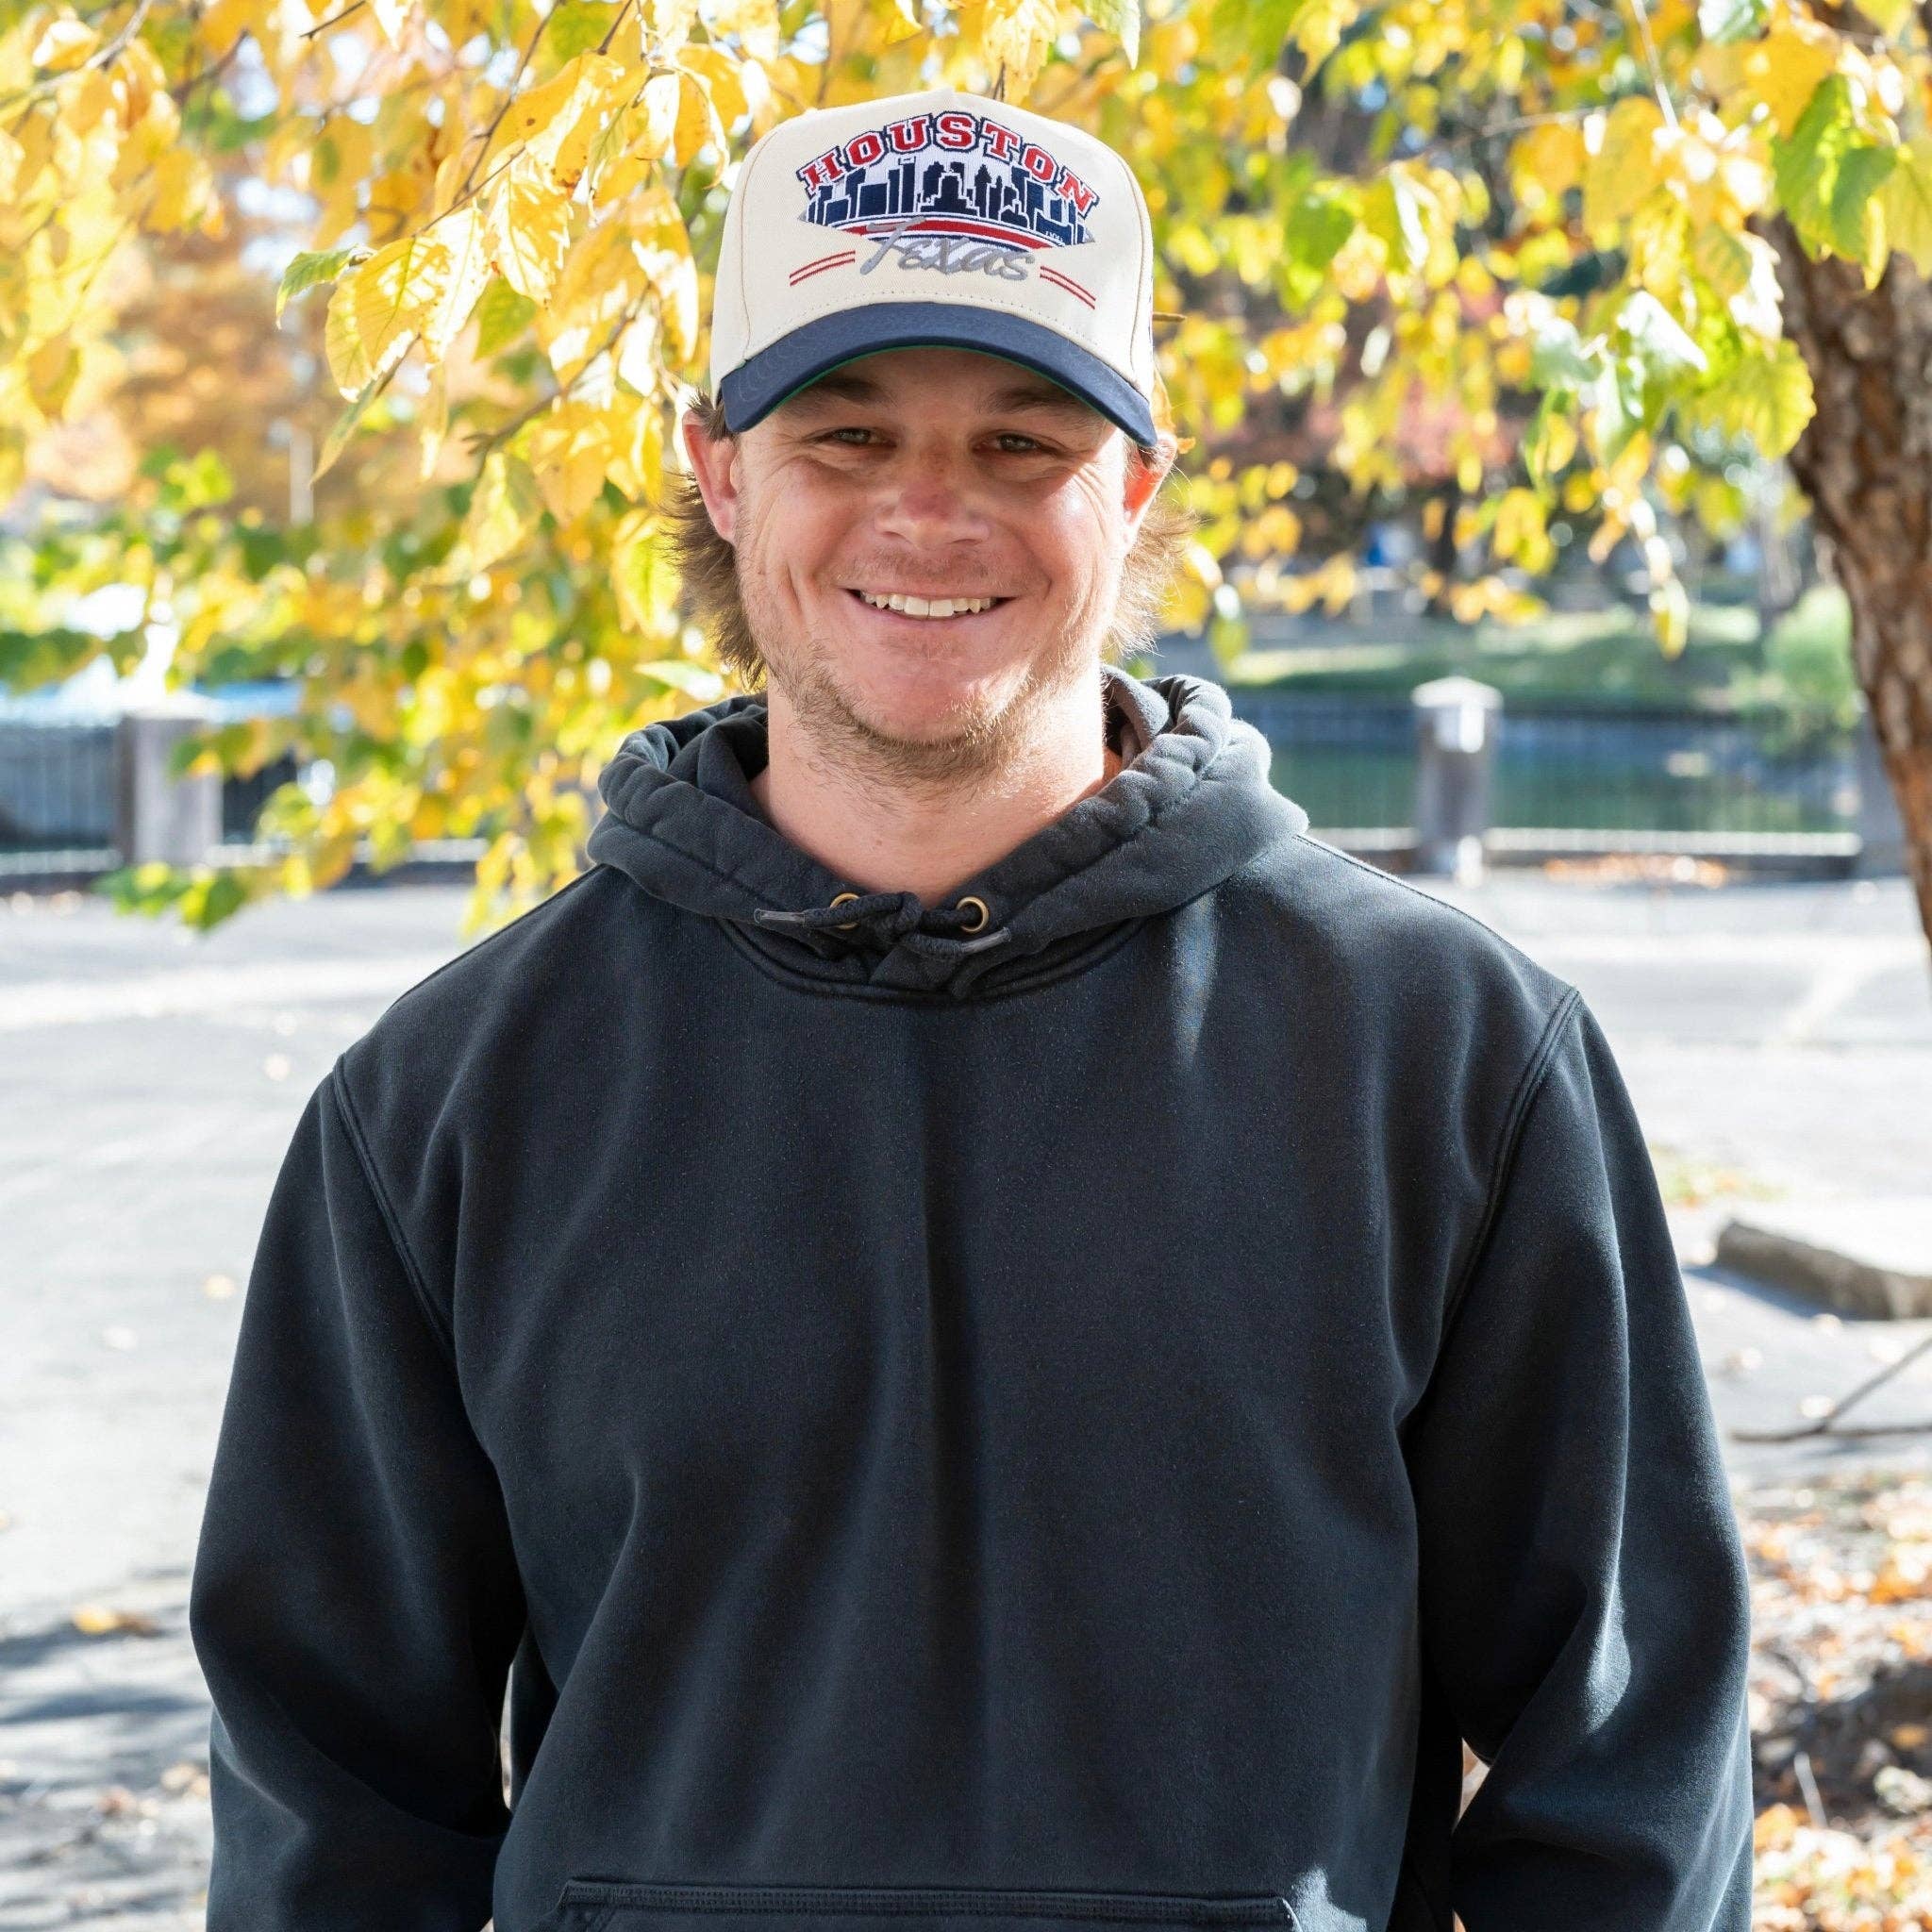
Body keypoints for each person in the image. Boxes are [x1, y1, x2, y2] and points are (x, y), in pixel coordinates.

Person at [188, 84, 1756, 1932]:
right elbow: (333, 1813)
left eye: (1021, 442)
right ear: (718, 470)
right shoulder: (453, 1099)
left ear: (1135, 488)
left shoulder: (1445, 1057)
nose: (928, 512)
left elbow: (1633, 1774)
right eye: (844, 436)